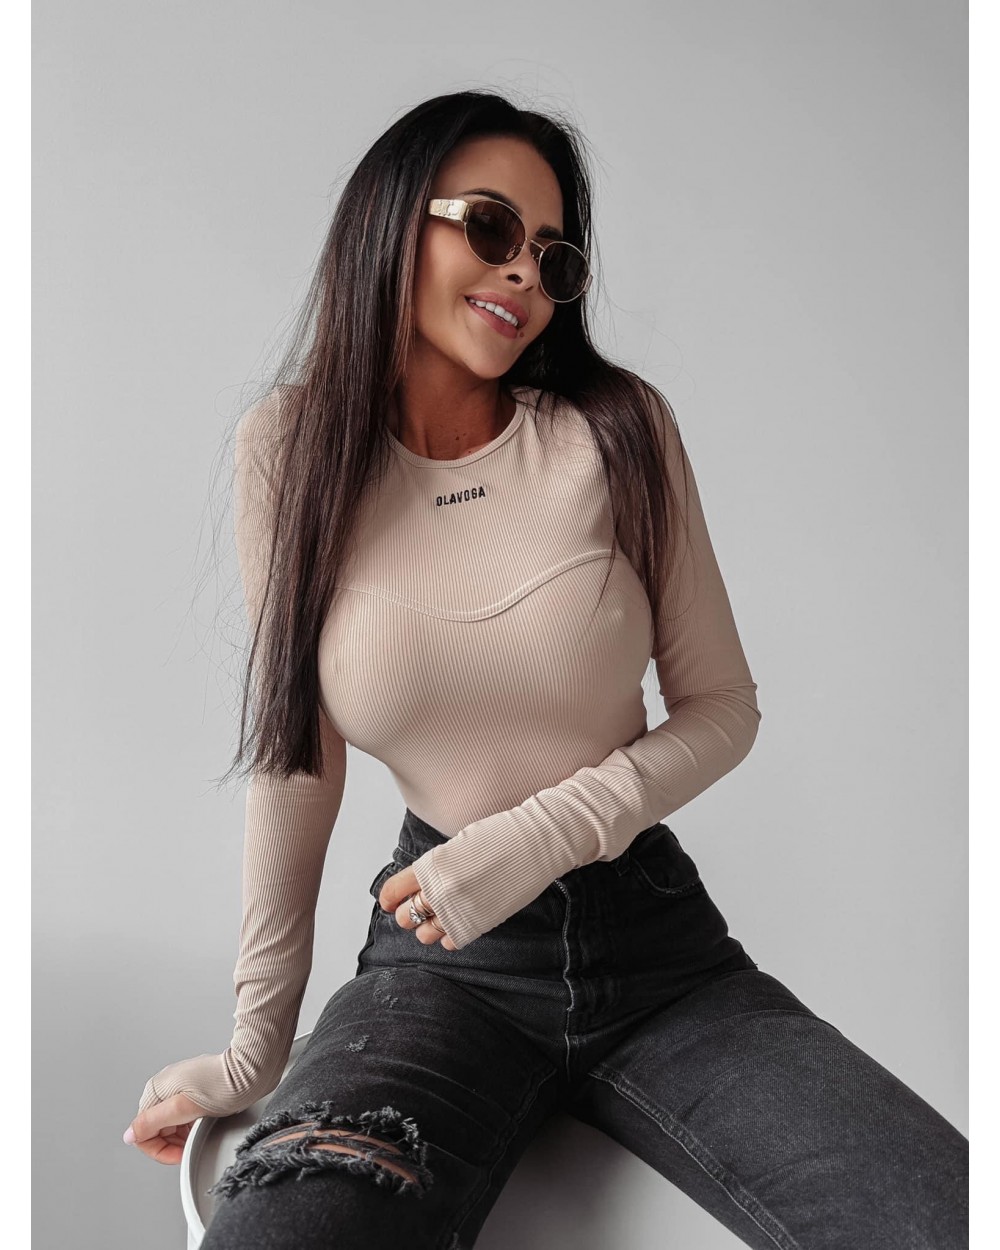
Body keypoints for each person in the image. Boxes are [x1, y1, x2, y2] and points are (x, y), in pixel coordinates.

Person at [123, 90, 969, 1248]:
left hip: (659, 955)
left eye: (553, 255)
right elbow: (295, 759)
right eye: (489, 227)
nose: (523, 270)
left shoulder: (616, 431)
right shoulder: (291, 449)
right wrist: (251, 1047)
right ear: (390, 223)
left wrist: (535, 838)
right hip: (439, 964)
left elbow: (722, 707)